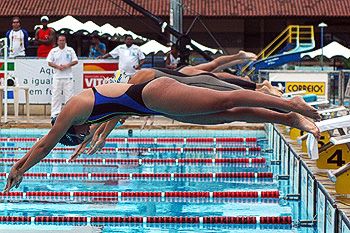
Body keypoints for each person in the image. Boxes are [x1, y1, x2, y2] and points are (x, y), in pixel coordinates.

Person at [4, 76, 321, 192]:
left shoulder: (73, 107)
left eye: (80, 133)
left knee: (227, 100)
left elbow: (46, 144)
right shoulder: (89, 114)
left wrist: (19, 167)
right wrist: (95, 139)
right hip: (156, 104)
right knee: (224, 116)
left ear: (70, 127)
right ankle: (289, 118)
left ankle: (287, 104)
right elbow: (106, 122)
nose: (86, 132)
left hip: (154, 96)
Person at [47, 35, 78, 119]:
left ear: (65, 41)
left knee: (69, 96)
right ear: (57, 41)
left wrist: (67, 65)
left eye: (63, 40)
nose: (61, 42)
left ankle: (69, 113)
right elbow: (49, 62)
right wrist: (58, 67)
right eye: (60, 40)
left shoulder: (70, 50)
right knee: (56, 95)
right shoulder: (54, 51)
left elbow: (75, 61)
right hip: (57, 77)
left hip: (68, 77)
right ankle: (55, 114)